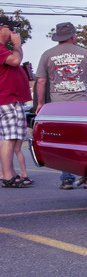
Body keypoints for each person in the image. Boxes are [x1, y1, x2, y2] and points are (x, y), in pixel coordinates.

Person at [35, 22, 87, 190]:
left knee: (63, 142)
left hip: (58, 107)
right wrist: (80, 80)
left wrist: (41, 103)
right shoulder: (84, 53)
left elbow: (41, 80)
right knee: (82, 141)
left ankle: (66, 179)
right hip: (81, 106)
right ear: (73, 36)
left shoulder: (47, 54)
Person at [0, 16, 33, 188]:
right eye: (10, 29)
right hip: (8, 99)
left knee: (11, 139)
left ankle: (10, 172)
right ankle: (7, 175)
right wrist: (18, 45)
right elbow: (14, 60)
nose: (14, 32)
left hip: (11, 99)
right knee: (9, 139)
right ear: (1, 29)